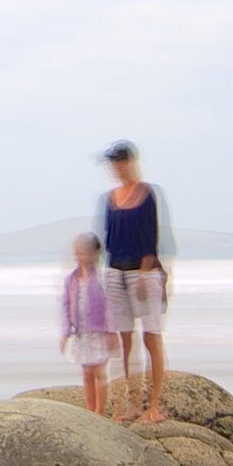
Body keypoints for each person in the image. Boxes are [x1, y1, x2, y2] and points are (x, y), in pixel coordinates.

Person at [95, 141, 173, 424]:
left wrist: (144, 271)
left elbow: (151, 238)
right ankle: (131, 403)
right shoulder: (109, 198)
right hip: (115, 271)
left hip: (144, 271)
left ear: (130, 162)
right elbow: (109, 241)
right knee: (125, 338)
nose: (116, 167)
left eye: (120, 161)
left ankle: (153, 405)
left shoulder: (147, 194)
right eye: (113, 163)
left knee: (150, 336)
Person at [58, 232, 119, 418]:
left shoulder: (102, 279)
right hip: (81, 332)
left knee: (99, 371)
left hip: (99, 332)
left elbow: (110, 305)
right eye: (77, 253)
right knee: (86, 372)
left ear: (95, 254)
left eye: (84, 253)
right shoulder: (71, 279)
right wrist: (65, 332)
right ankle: (90, 409)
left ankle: (100, 411)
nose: (80, 257)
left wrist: (110, 331)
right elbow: (65, 305)